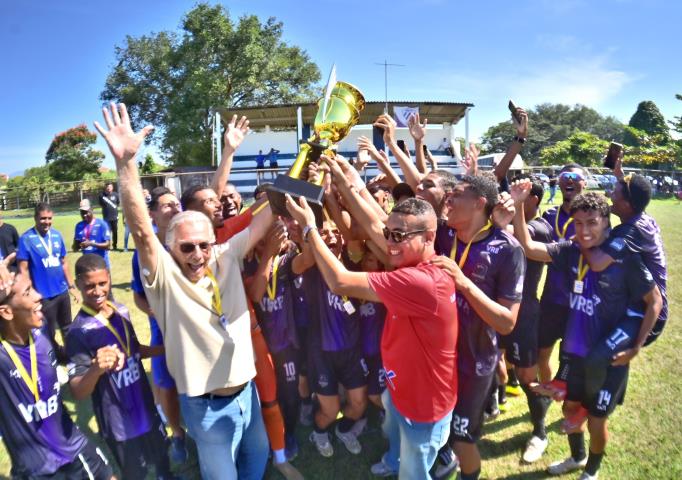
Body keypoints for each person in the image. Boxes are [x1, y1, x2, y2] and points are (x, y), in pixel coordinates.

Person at [95, 102, 271, 480]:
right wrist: (126, 163)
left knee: (257, 459)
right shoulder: (165, 280)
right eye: (186, 247)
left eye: (203, 245)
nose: (197, 254)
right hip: (207, 411)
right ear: (171, 249)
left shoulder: (226, 255)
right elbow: (142, 231)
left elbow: (268, 214)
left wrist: (311, 156)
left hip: (248, 396)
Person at [285, 195, 458, 479]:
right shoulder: (416, 263)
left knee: (414, 469)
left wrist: (310, 228)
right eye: (389, 233)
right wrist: (342, 178)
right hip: (401, 388)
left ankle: (406, 467)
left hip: (424, 404)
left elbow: (339, 280)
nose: (389, 242)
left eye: (398, 236)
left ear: (428, 237)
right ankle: (392, 461)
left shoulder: (419, 281)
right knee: (394, 435)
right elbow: (372, 223)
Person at [511, 184, 662, 480]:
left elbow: (653, 301)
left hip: (609, 358)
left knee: (595, 419)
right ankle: (577, 457)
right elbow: (529, 247)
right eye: (578, 223)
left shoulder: (624, 258)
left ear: (607, 222)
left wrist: (636, 347)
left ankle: (591, 472)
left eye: (592, 222)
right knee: (570, 409)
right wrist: (518, 206)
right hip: (575, 350)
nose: (584, 230)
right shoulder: (570, 251)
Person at [430, 174, 525, 480]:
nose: (449, 200)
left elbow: (507, 322)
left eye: (456, 195)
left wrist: (463, 282)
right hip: (438, 357)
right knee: (437, 426)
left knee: (462, 438)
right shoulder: (443, 235)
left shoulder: (507, 249)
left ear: (479, 203)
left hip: (475, 362)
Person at [67, 254, 175, 479]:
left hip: (145, 406)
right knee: (136, 472)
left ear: (109, 279)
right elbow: (77, 390)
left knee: (161, 456)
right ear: (77, 285)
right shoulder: (78, 332)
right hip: (118, 421)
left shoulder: (121, 310)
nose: (97, 291)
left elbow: (134, 349)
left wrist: (167, 349)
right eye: (89, 286)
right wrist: (96, 369)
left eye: (102, 284)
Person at [0, 268, 114, 479]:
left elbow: (60, 354)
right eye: (27, 293)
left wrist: (93, 363)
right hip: (36, 468)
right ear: (6, 312)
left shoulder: (41, 330)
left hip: (73, 445)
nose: (38, 296)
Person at [130, 187, 188, 464]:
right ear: (152, 214)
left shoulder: (191, 240)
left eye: (177, 203)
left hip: (194, 331)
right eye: (166, 205)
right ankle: (177, 435)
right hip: (163, 334)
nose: (174, 207)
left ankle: (201, 434)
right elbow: (138, 295)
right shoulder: (144, 251)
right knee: (166, 386)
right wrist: (152, 311)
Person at [501, 174, 554, 463]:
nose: (512, 195)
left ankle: (540, 431)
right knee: (491, 361)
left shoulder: (541, 229)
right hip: (494, 307)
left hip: (523, 313)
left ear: (532, 199)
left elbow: (512, 233)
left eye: (520, 192)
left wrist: (512, 208)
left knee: (526, 375)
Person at [17, 203, 79, 363]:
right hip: (43, 296)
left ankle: (73, 357)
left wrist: (71, 286)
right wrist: (29, 293)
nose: (46, 222)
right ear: (35, 218)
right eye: (43, 218)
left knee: (67, 328)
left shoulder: (57, 236)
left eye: (49, 218)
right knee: (48, 332)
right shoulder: (26, 239)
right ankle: (57, 359)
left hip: (62, 292)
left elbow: (64, 262)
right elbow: (23, 270)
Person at [73, 199, 112, 269]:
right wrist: (77, 245)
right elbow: (75, 247)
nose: (84, 215)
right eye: (82, 212)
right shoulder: (79, 226)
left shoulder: (102, 224)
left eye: (86, 212)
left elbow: (108, 245)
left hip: (102, 265)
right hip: (87, 266)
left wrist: (91, 244)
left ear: (92, 209)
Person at [99, 183, 120, 250]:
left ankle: (115, 246)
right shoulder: (101, 195)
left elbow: (118, 203)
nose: (109, 188)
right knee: (107, 232)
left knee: (115, 232)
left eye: (110, 187)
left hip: (114, 217)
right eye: (107, 187)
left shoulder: (116, 195)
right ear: (105, 188)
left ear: (112, 187)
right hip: (106, 217)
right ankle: (107, 245)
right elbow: (101, 204)